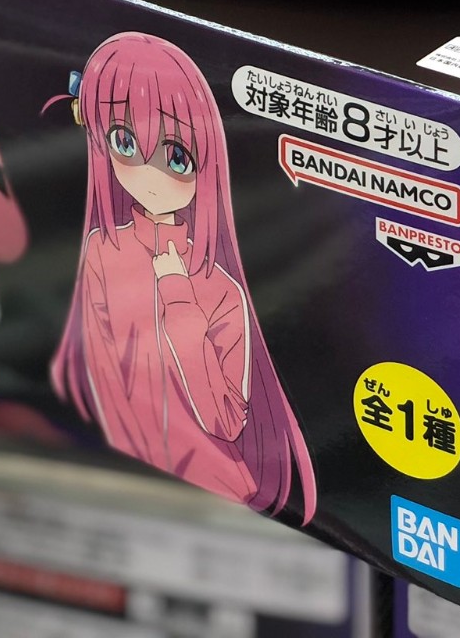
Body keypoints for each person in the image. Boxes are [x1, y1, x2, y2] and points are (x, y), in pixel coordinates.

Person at [49, 31, 316, 521]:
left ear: (206, 162)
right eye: (125, 143)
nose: (149, 175)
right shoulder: (103, 252)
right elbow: (105, 379)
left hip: (222, 487)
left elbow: (226, 419)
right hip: (136, 470)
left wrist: (177, 297)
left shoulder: (221, 290)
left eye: (176, 157)